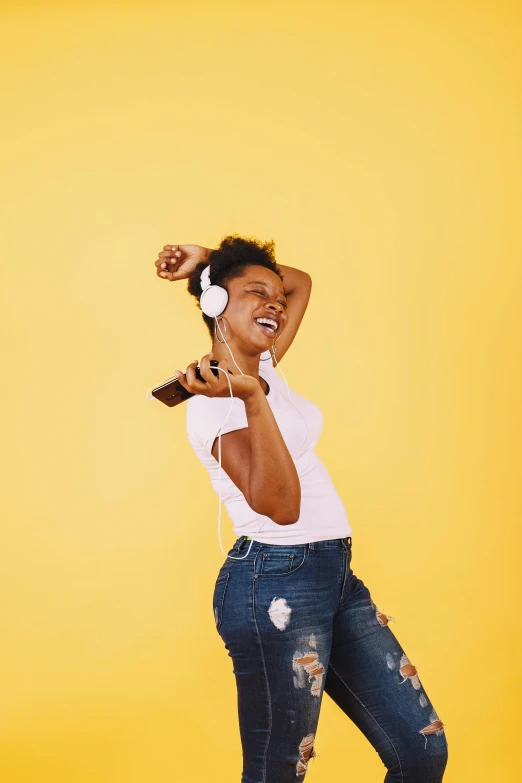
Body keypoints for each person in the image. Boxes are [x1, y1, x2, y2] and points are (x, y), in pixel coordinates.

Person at [154, 235, 448, 782]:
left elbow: (301, 282)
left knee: (421, 751)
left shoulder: (264, 363)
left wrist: (206, 266)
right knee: (278, 771)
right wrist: (250, 397)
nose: (276, 303)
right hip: (275, 583)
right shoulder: (215, 407)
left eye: (277, 299)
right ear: (218, 304)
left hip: (334, 575)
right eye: (256, 293)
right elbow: (280, 508)